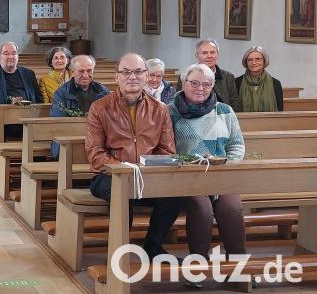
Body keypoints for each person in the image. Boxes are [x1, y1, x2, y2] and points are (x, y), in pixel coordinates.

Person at [85, 53, 183, 260]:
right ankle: (119, 251)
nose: (132, 77)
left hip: (147, 176)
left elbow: (167, 150)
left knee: (175, 196)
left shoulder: (160, 109)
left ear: (146, 76)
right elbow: (95, 154)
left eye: (138, 72)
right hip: (108, 176)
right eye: (126, 72)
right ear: (116, 77)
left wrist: (145, 171)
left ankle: (153, 247)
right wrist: (125, 170)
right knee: (122, 192)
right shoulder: (99, 108)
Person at [168, 63, 248, 288]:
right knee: (202, 209)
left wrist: (226, 165)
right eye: (194, 83)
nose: (200, 88)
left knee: (231, 209)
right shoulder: (169, 110)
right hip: (186, 176)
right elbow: (165, 148)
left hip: (221, 175)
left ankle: (238, 271)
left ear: (213, 86)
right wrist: (186, 164)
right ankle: (197, 270)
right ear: (184, 84)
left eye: (206, 84)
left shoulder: (225, 110)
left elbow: (237, 145)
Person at [0, 42, 43, 158]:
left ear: (18, 56)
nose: (11, 57)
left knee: (41, 133)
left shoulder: (29, 74)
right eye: (6, 53)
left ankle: (35, 166)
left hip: (25, 119)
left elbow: (39, 98)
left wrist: (33, 114)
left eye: (14, 53)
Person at [176, 39, 241, 111]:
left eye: (212, 52)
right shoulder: (186, 76)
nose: (209, 56)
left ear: (217, 55)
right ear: (197, 56)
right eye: (204, 53)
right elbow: (180, 102)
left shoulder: (228, 77)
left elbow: (235, 104)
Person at [235, 46, 283, 112]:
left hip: (269, 122)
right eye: (250, 60)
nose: (253, 63)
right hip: (243, 121)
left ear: (264, 61)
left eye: (258, 59)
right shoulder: (236, 82)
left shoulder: (275, 83)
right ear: (246, 62)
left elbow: (280, 111)